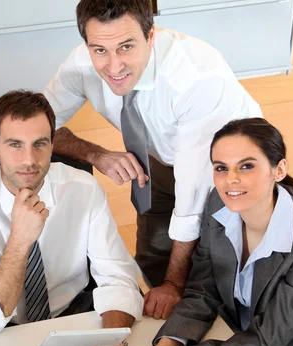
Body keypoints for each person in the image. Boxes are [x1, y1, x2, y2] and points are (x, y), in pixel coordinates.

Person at [43, 0, 262, 319]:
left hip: (232, 168)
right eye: (100, 50)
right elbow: (39, 127)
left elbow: (192, 197)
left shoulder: (194, 78)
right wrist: (97, 155)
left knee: (227, 276)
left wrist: (175, 284)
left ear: (151, 36)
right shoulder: (81, 64)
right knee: (154, 260)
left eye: (126, 46)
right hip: (161, 160)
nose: (114, 66)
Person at [130, 118, 293, 346]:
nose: (230, 179)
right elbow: (202, 291)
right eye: (221, 168)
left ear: (279, 169)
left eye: (246, 166)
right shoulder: (218, 203)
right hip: (238, 345)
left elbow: (269, 337)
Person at [0, 90, 143, 346]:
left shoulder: (83, 189)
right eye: (15, 144)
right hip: (7, 334)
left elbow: (117, 276)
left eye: (40, 143)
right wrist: (20, 238)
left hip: (78, 316)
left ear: (53, 144)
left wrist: (110, 340)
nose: (29, 160)